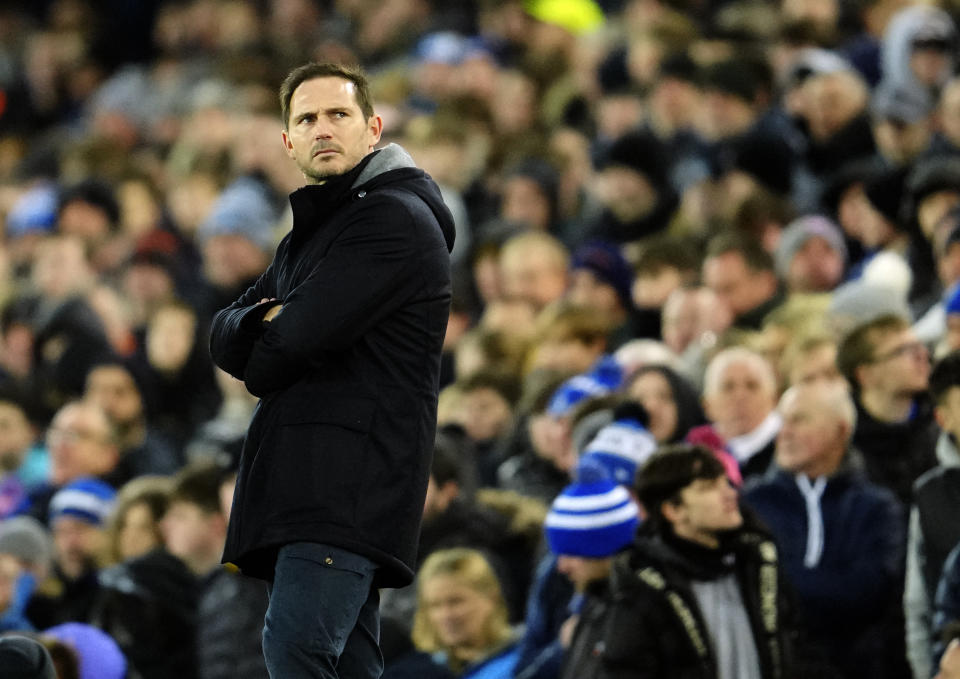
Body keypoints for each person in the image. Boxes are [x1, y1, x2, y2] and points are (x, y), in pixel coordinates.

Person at [208, 62, 454, 679]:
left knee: (297, 649)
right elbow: (222, 331)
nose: (323, 128)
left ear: (372, 128)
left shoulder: (390, 219)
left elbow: (283, 347)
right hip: (323, 485)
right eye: (306, 118)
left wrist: (265, 329)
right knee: (343, 662)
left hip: (345, 485)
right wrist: (262, 326)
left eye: (338, 114)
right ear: (287, 141)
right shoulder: (319, 230)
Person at [562, 443, 796, 679]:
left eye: (726, 482)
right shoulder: (639, 590)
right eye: (708, 487)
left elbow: (800, 646)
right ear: (673, 510)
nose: (730, 494)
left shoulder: (759, 562)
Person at [743, 382, 905, 678]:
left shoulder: (877, 507)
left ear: (841, 430)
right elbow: (748, 589)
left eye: (799, 420)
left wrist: (782, 582)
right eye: (783, 421)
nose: (784, 432)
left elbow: (868, 592)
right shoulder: (751, 503)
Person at [408, 547, 520, 678]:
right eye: (435, 605)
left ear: (491, 598)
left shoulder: (527, 660)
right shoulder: (413, 672)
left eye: (456, 601)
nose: (446, 615)